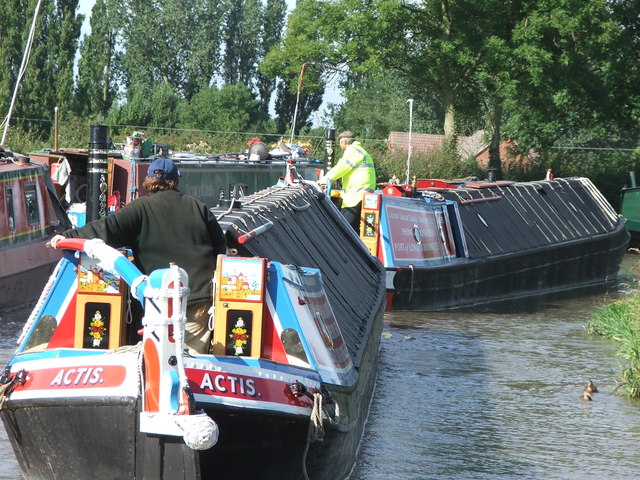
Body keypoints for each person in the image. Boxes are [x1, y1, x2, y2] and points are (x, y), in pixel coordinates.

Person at [50, 158, 227, 353]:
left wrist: (66, 237)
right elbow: (220, 247)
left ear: (148, 180)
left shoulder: (140, 208)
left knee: (160, 353)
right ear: (176, 181)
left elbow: (106, 229)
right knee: (190, 357)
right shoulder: (198, 207)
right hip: (197, 296)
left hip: (157, 297)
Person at [319, 130, 376, 231]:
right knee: (355, 229)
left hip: (355, 197)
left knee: (343, 228)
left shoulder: (352, 151)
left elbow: (341, 168)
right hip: (364, 194)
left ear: (343, 142)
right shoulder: (361, 151)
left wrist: (324, 180)